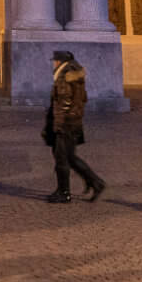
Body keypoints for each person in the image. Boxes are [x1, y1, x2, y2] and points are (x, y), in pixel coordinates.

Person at [44, 48, 103, 203]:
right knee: (69, 157)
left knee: (62, 158)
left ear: (60, 62)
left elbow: (64, 102)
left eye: (55, 61)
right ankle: (94, 183)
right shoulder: (72, 75)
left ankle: (64, 192)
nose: (53, 64)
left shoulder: (64, 77)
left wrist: (59, 125)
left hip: (66, 124)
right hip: (72, 122)